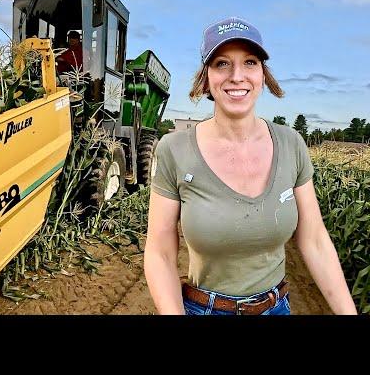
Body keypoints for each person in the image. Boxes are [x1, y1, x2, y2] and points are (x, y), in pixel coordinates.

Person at [144, 16, 357, 315]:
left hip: (276, 308)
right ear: (205, 78)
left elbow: (315, 240)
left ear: (262, 75)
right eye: (221, 63)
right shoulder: (175, 150)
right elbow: (160, 252)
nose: (236, 76)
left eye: (250, 62)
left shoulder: (291, 144)